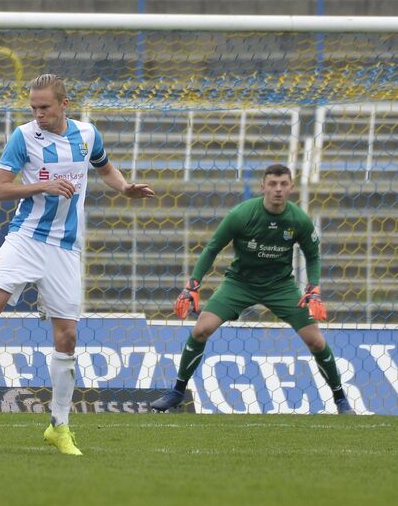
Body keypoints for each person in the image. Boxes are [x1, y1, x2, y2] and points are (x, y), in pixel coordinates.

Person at [0, 74, 155, 455]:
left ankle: (59, 427)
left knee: (67, 337)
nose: (37, 114)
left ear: (64, 104)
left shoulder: (86, 134)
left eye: (44, 107)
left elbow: (104, 167)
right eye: (33, 107)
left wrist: (124, 186)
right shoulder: (23, 137)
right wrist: (41, 186)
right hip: (26, 239)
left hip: (65, 248)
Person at [151, 164, 355, 415]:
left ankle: (341, 400)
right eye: (272, 184)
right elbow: (212, 248)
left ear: (291, 187)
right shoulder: (242, 214)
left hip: (280, 286)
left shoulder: (299, 220)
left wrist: (313, 289)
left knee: (315, 341)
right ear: (263, 187)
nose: (278, 189)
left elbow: (313, 256)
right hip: (239, 283)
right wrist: (193, 284)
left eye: (283, 184)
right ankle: (177, 392)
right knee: (201, 329)